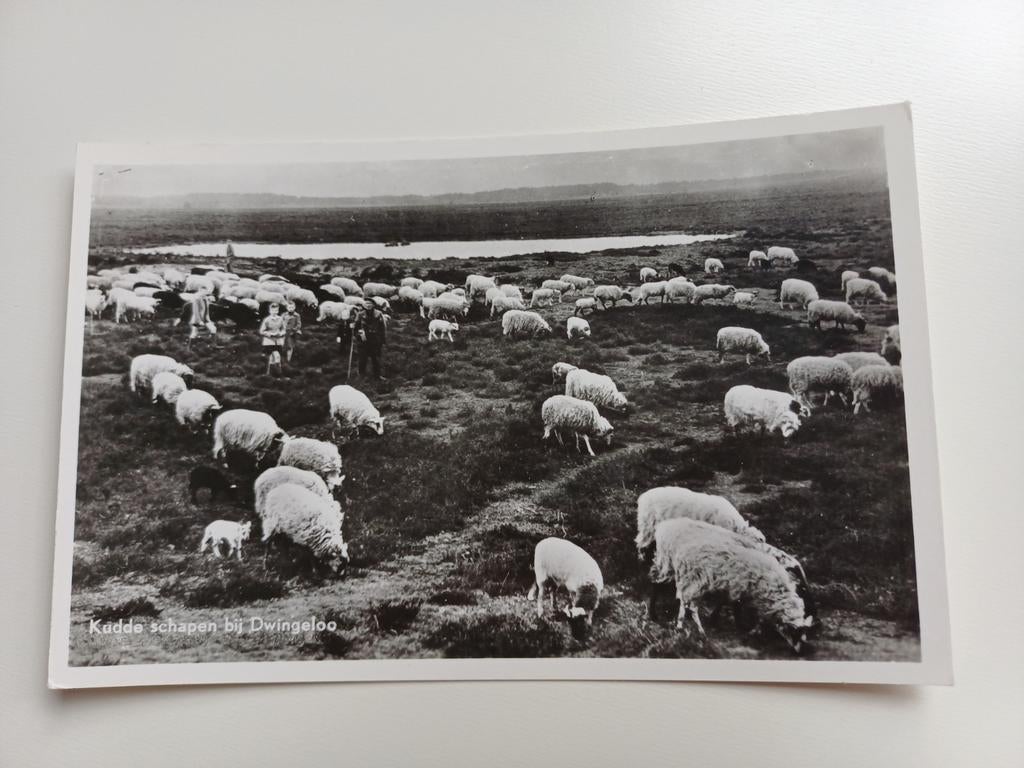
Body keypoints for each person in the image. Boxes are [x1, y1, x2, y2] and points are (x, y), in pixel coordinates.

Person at [347, 300, 388, 380]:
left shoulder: (378, 314)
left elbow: (382, 328)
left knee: (376, 359)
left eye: (370, 304)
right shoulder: (360, 314)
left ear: (373, 305)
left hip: (375, 340)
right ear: (364, 305)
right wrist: (357, 333)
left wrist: (382, 340)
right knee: (362, 359)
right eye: (367, 304)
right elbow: (356, 328)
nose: (368, 305)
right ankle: (361, 376)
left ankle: (377, 376)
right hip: (363, 341)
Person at [258, 303, 286, 376]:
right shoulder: (267, 320)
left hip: (278, 341)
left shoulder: (280, 319)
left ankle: (276, 373)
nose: (274, 312)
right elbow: (261, 331)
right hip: (269, 341)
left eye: (276, 310)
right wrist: (269, 334)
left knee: (276, 357)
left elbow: (283, 329)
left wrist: (281, 333)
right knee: (273, 357)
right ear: (270, 311)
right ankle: (271, 373)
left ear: (278, 311)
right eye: (273, 310)